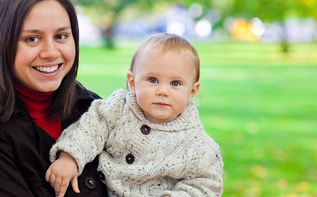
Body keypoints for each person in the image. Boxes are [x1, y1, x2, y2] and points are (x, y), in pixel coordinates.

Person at [0, 0, 108, 197]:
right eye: (32, 39)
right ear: (1, 44)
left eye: (61, 36)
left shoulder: (94, 109)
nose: (51, 52)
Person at [46, 33, 224, 197]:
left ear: (192, 90)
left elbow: (206, 185)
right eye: (152, 80)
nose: (163, 91)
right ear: (133, 82)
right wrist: (70, 157)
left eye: (175, 83)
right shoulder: (118, 109)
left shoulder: (199, 146)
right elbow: (91, 129)